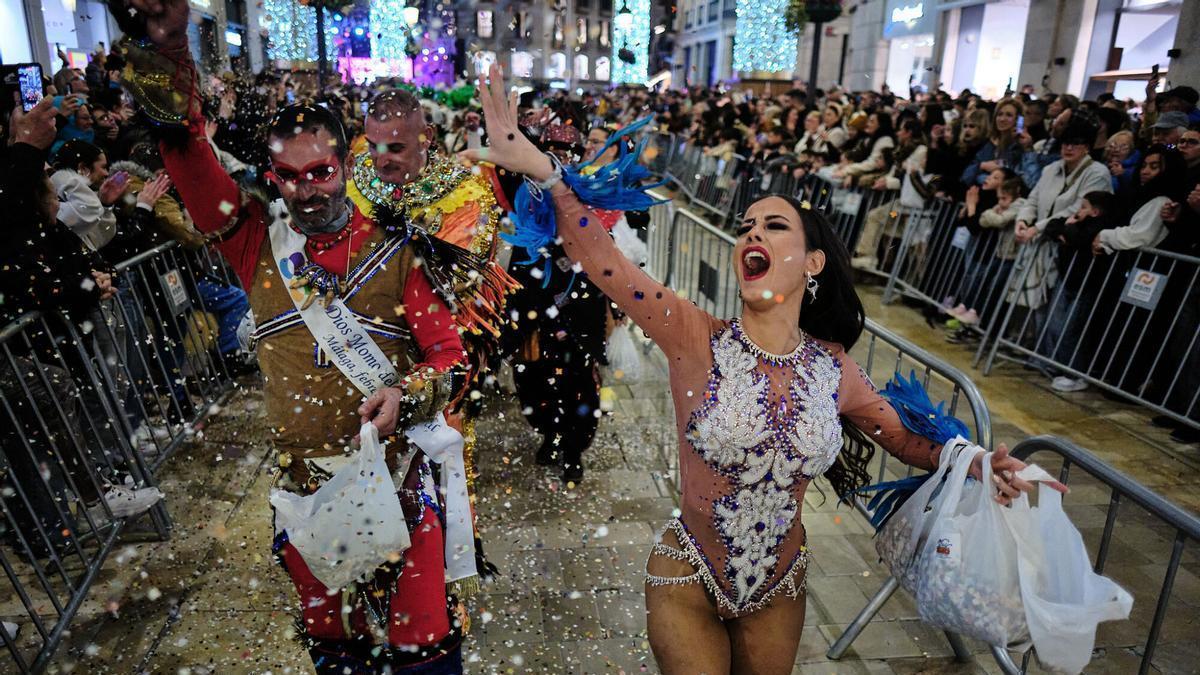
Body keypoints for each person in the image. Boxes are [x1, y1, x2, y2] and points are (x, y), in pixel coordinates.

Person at [463, 63, 1061, 675]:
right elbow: (606, 263)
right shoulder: (692, 334)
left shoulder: (834, 371)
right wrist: (545, 172)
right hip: (687, 574)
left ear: (813, 263)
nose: (753, 233)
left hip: (781, 588)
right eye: (746, 225)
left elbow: (904, 439)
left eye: (775, 226)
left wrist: (979, 462)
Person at [113, 0, 500, 670]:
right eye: (289, 177)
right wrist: (172, 45)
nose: (307, 191)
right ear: (273, 177)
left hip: (402, 488)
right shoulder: (254, 242)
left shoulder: (401, 250)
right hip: (314, 498)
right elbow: (186, 151)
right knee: (337, 655)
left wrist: (405, 396)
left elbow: (451, 359)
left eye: (320, 171)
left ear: (345, 164)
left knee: (423, 654)